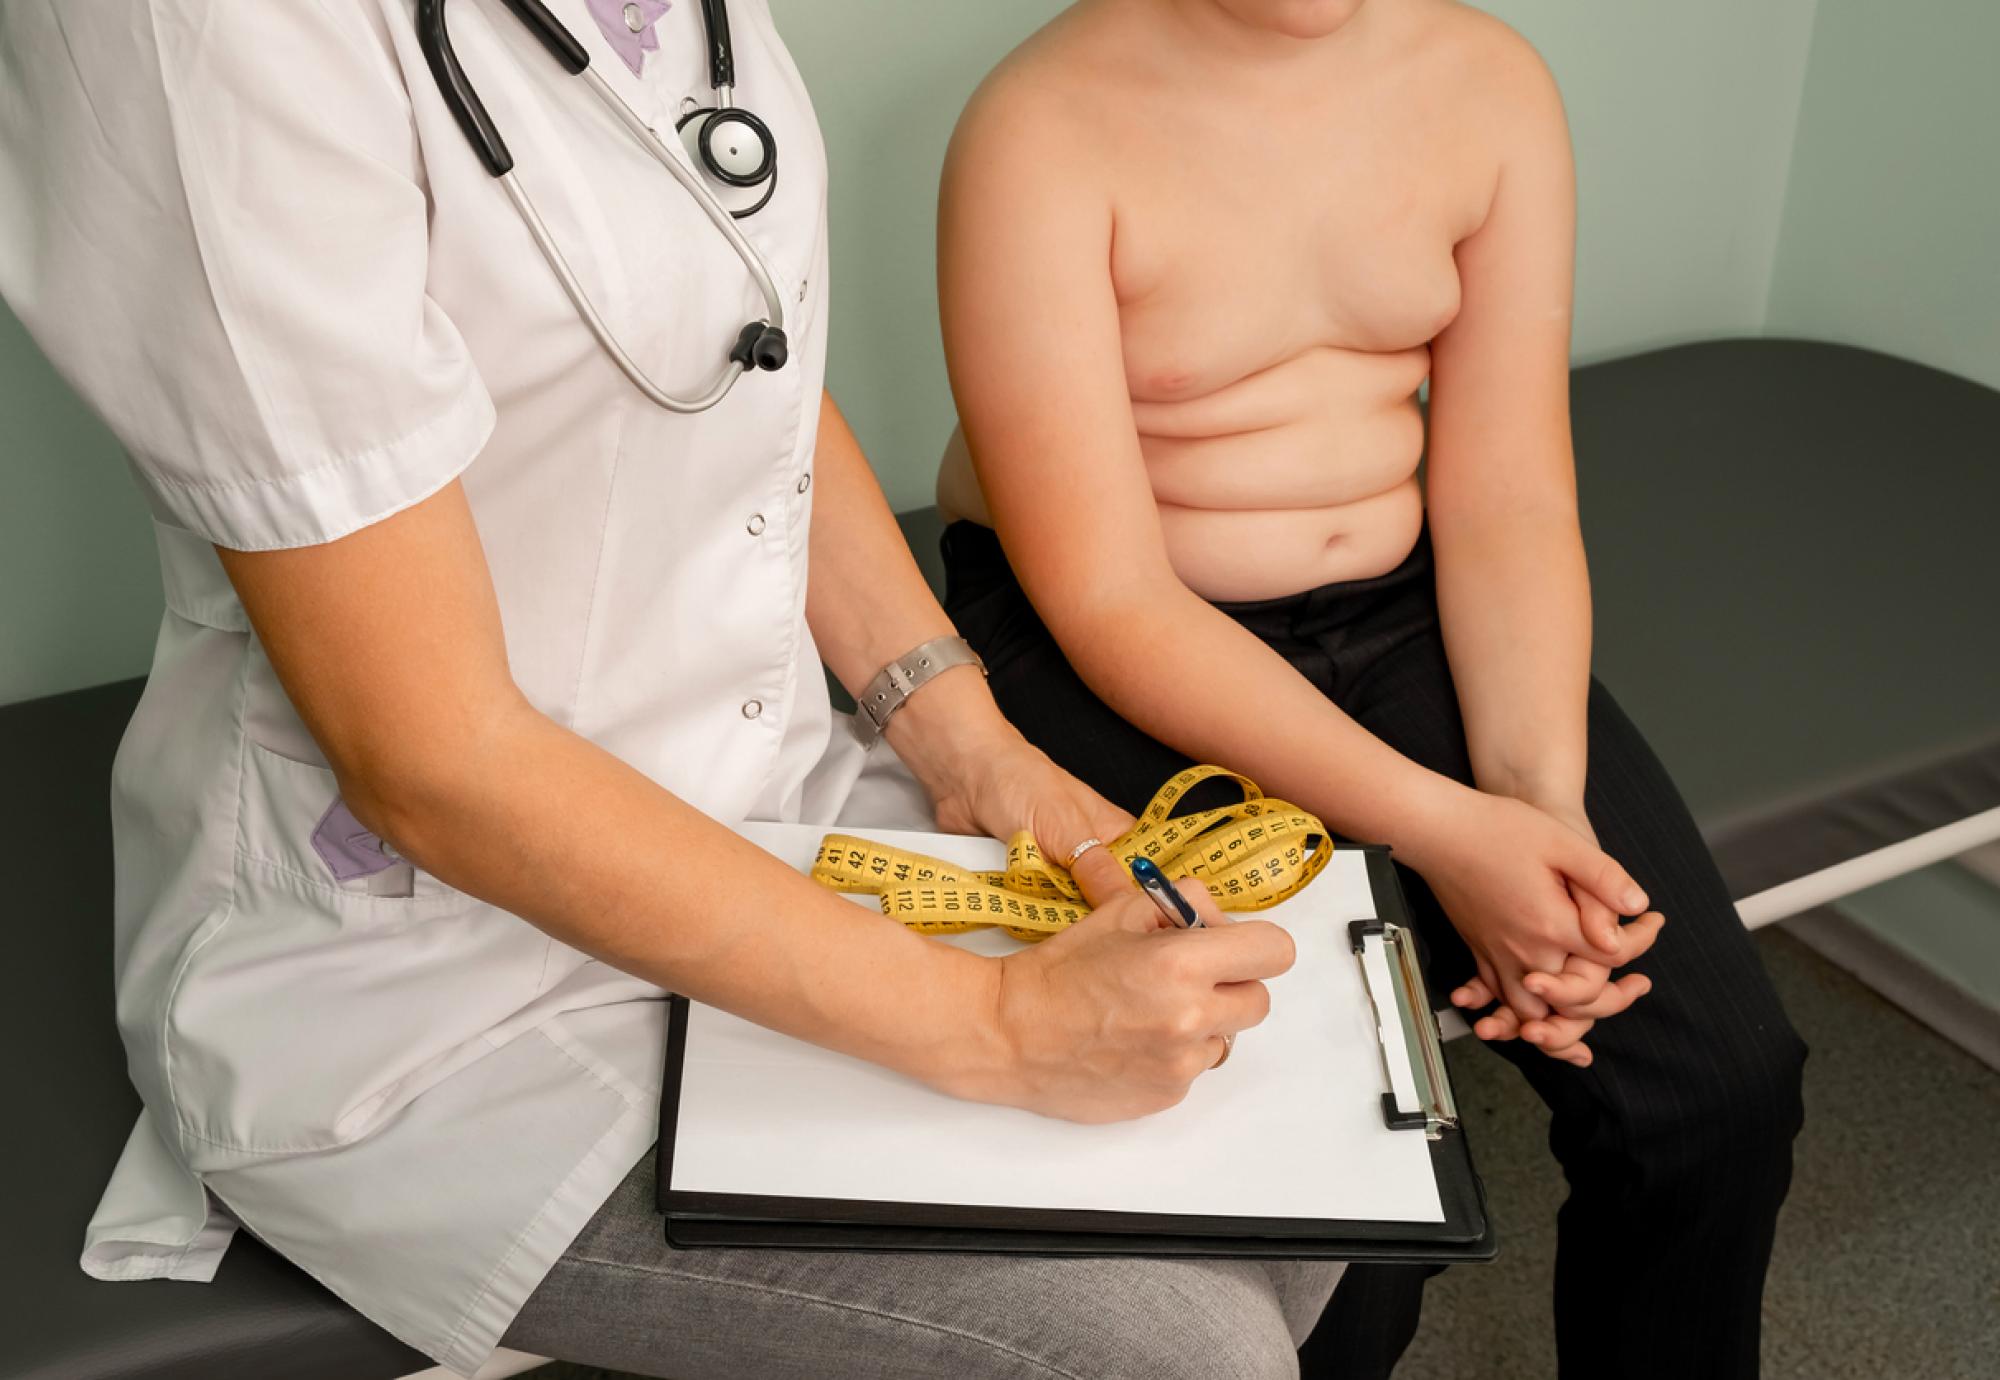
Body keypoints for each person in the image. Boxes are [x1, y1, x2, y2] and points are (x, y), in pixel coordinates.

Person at [0, 3, 1341, 1376]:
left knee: (1297, 1179)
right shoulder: (194, 32)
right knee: (1177, 1349)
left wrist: (962, 734)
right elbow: (429, 759)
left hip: (768, 787)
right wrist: (998, 1030)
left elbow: (723, 335)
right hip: (429, 978)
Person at [934, 1, 1809, 1376]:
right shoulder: (1040, 127)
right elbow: (1109, 597)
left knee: (1718, 1088)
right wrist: (1448, 835)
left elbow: (1508, 490)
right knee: (1347, 1194)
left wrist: (1540, 817)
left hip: (1398, 606)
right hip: (1108, 627)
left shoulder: (1488, 84)